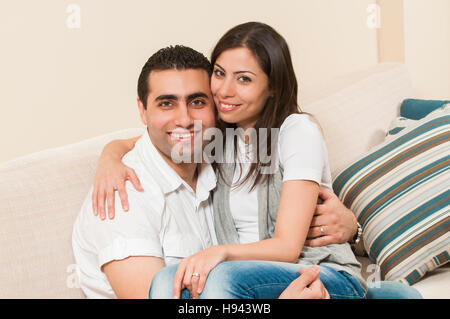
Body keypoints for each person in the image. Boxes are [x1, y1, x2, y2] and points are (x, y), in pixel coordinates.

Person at [90, 22, 422, 299]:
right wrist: (111, 155)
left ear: (273, 88)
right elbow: (163, 135)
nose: (224, 90)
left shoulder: (296, 131)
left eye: (244, 79)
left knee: (216, 279)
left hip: (317, 275)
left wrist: (221, 252)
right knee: (167, 282)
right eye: (219, 73)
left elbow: (289, 247)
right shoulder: (218, 136)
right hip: (252, 282)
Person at [72, 44, 329, 299]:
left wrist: (350, 225)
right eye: (166, 104)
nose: (184, 119)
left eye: (197, 102)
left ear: (217, 107)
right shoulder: (123, 196)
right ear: (142, 110)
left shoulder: (219, 160)